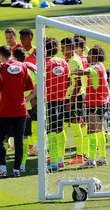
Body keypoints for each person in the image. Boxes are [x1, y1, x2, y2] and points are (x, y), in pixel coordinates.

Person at [0, 45, 34, 178]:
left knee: (0, 138)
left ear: (0, 55)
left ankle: (3, 168)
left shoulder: (1, 67)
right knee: (19, 140)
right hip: (21, 109)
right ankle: (17, 169)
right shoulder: (23, 66)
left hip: (5, 109)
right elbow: (29, 85)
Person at [71, 45, 109, 168]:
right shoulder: (101, 67)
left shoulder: (94, 68)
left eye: (89, 55)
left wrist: (70, 72)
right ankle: (102, 158)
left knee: (91, 132)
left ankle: (91, 160)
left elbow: (85, 71)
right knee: (99, 132)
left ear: (94, 56)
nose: (87, 57)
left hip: (95, 104)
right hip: (102, 103)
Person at [45, 37, 70, 171]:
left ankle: (53, 161)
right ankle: (60, 159)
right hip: (62, 99)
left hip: (49, 101)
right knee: (60, 129)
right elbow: (69, 81)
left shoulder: (44, 63)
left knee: (51, 131)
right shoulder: (63, 63)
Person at [61, 37, 85, 165]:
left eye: (63, 47)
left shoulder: (73, 61)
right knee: (64, 125)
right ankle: (60, 155)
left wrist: (71, 100)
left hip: (75, 98)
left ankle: (80, 155)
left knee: (75, 126)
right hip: (70, 97)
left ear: (69, 47)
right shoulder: (72, 59)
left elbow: (78, 83)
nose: (61, 49)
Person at [13, 47, 37, 172]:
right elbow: (35, 91)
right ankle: (22, 164)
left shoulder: (13, 71)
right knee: (25, 136)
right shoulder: (31, 70)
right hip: (26, 108)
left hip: (13, 108)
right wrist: (25, 100)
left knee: (7, 136)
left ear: (15, 57)